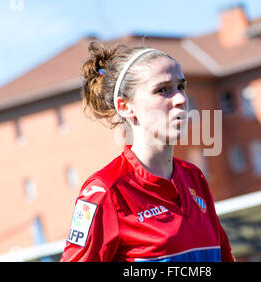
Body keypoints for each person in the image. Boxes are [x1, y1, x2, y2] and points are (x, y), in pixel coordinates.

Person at [60, 41, 234, 262]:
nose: (181, 99)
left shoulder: (194, 177)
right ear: (126, 107)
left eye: (181, 87)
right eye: (162, 90)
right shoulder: (106, 191)